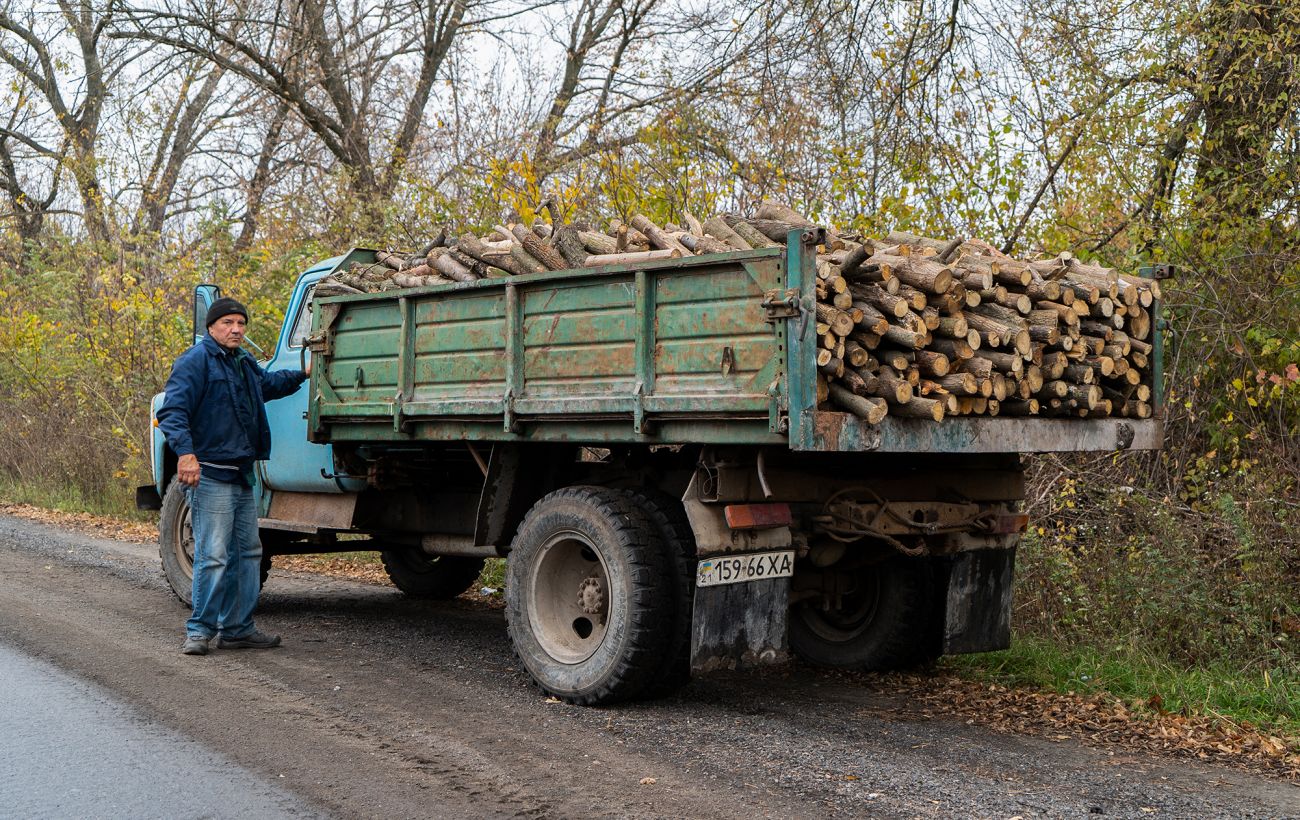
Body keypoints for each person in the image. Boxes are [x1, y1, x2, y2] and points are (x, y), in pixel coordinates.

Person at [157, 297, 309, 656]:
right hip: (209, 474)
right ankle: (200, 630)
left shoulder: (243, 362)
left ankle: (238, 628)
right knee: (213, 555)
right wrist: (187, 455)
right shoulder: (195, 362)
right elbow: (172, 411)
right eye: (228, 322)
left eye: (241, 323)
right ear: (211, 327)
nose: (236, 329)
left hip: (241, 475)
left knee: (248, 553)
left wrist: (302, 374)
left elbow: (268, 386)